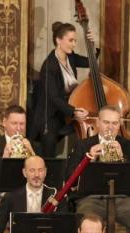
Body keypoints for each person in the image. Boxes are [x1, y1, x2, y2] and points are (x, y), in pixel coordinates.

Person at [66, 105, 130, 233]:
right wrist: (89, 159)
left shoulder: (128, 145)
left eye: (114, 123)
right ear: (98, 123)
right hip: (91, 198)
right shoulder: (83, 144)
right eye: (106, 122)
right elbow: (70, 177)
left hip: (122, 198)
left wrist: (122, 158)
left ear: (119, 125)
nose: (110, 127)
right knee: (83, 221)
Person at [27, 22, 94, 158]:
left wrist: (91, 44)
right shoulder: (49, 66)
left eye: (75, 40)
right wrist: (74, 112)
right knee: (49, 154)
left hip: (65, 112)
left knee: (87, 133)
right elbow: (54, 98)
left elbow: (90, 62)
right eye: (71, 40)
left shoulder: (71, 56)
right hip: (50, 116)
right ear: (58, 40)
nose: (74, 44)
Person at [0, 105, 39, 202]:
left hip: (28, 197)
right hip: (0, 198)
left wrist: (32, 152)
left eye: (22, 124)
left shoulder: (34, 146)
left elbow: (44, 176)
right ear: (4, 123)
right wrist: (3, 159)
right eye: (14, 123)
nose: (19, 128)